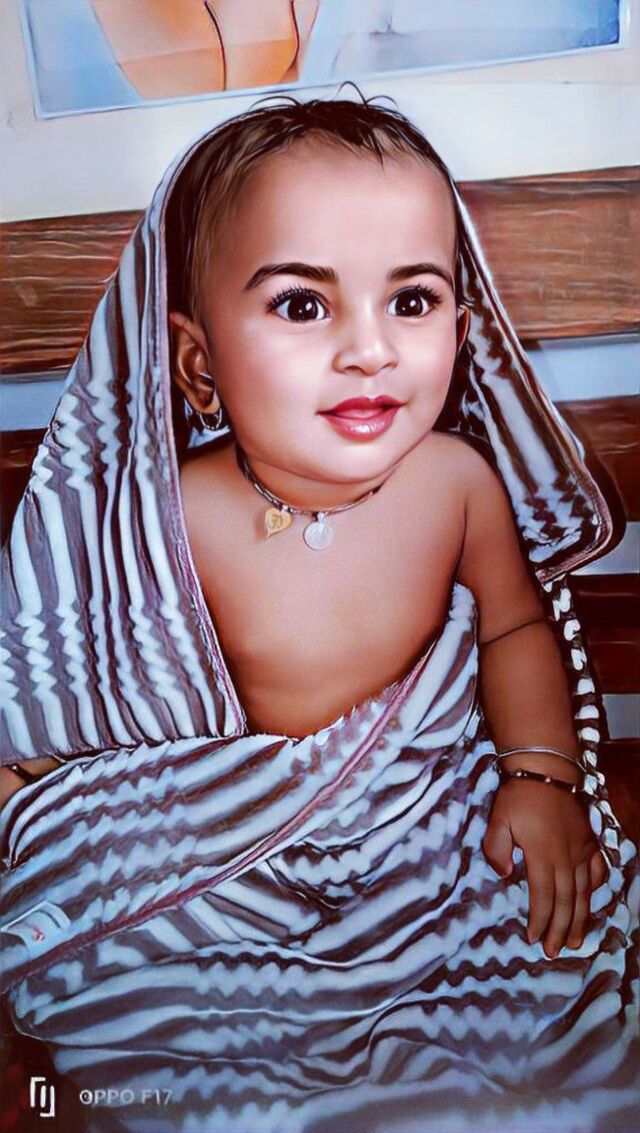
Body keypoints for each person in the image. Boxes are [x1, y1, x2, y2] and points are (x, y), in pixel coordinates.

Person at [0, 98, 637, 1133]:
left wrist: (539, 774)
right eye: (303, 305)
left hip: (415, 815)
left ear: (461, 332)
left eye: (412, 300)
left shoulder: (455, 484)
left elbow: (515, 630)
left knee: (531, 957)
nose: (369, 350)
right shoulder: (165, 517)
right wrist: (31, 777)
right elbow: (94, 676)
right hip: (221, 839)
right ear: (199, 362)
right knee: (155, 1024)